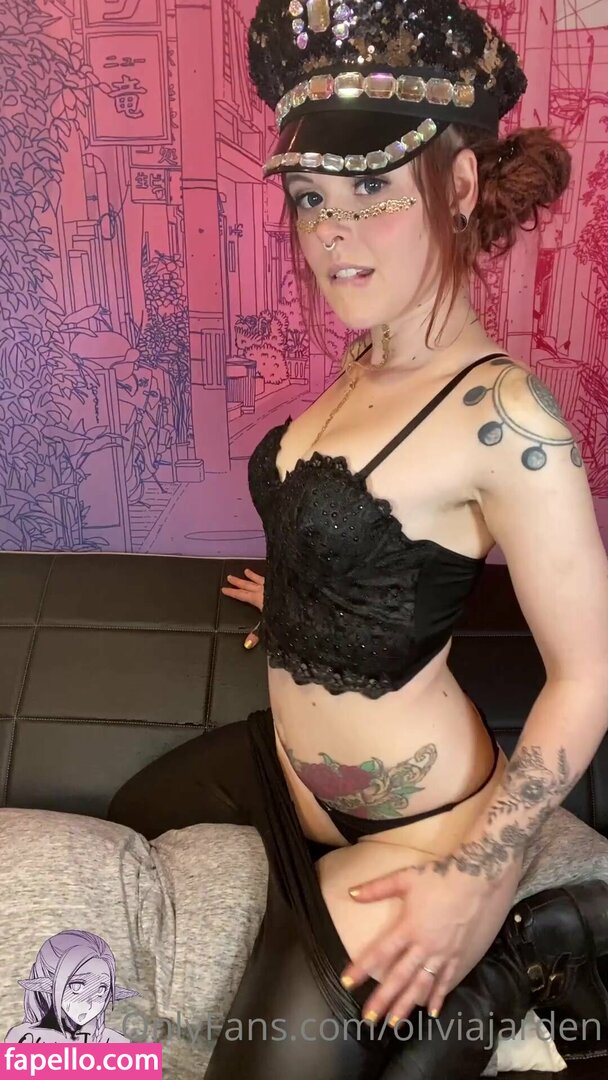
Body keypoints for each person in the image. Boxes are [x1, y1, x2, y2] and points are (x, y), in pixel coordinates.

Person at [108, 1, 608, 1076]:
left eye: (372, 191)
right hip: (289, 773)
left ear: (458, 186)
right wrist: (308, 596)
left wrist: (478, 880)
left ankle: (515, 957)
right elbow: (382, 528)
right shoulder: (364, 364)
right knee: (131, 812)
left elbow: (589, 674)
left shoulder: (506, 417)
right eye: (310, 199)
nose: (331, 231)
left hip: (419, 823)